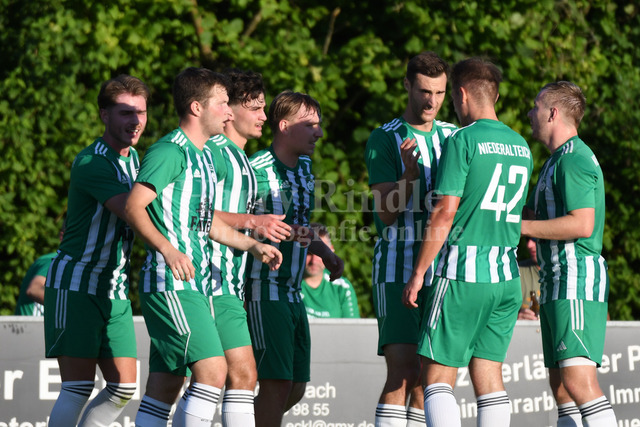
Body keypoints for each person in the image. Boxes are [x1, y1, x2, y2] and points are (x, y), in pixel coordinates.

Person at [125, 67, 282, 427]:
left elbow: (205, 222)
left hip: (193, 284)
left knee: (167, 383)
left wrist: (252, 246)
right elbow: (134, 206)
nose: (229, 111)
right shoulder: (170, 151)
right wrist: (167, 249)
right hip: (170, 282)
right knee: (214, 370)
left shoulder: (202, 158)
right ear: (197, 107)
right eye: (223, 103)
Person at [402, 57, 533, 427]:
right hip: (506, 277)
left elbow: (444, 213)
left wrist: (419, 272)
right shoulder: (521, 145)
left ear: (460, 95)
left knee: (436, 378)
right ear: (495, 95)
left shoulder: (463, 139)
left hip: (463, 274)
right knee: (489, 376)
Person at [43, 74, 149, 426]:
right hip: (76, 284)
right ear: (104, 115)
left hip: (114, 289)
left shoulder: (137, 160)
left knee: (123, 387)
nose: (135, 120)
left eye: (140, 112)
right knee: (77, 387)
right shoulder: (92, 161)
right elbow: (133, 212)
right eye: (125, 112)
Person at [364, 51, 456, 427]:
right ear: (407, 85)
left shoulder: (454, 136)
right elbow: (386, 214)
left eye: (439, 92)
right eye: (424, 91)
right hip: (397, 266)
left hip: (442, 269)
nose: (432, 100)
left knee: (427, 378)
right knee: (403, 371)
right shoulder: (384, 137)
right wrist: (410, 176)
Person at [245, 90, 344, 427]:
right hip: (262, 289)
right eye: (310, 125)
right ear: (284, 126)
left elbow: (299, 227)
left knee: (297, 386)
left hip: (292, 291)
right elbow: (230, 224)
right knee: (276, 384)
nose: (319, 132)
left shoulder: (305, 168)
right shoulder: (256, 170)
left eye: (319, 125)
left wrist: (325, 252)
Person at [521, 81, 617, 426]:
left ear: (552, 113)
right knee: (561, 389)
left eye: (535, 106)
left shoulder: (574, 159)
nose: (529, 113)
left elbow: (582, 224)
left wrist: (522, 227)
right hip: (555, 282)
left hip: (574, 279)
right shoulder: (556, 160)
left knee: (578, 383)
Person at [206, 68, 291, 426]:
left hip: (227, 283)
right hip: (205, 282)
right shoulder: (214, 153)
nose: (263, 116)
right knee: (237, 376)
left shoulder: (241, 158)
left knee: (234, 378)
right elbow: (194, 212)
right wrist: (254, 222)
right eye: (255, 108)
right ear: (230, 110)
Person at [300, 222, 360, 318]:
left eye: (320, 253)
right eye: (309, 253)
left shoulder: (342, 288)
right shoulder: (289, 284)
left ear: (331, 251)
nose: (314, 260)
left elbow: (352, 326)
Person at [15, 224, 64, 316]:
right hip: (32, 323)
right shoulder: (54, 260)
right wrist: (69, 307)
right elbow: (34, 289)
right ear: (62, 236)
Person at [518, 236, 541, 320]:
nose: (529, 245)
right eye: (527, 239)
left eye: (535, 239)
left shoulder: (570, 273)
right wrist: (515, 317)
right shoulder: (517, 271)